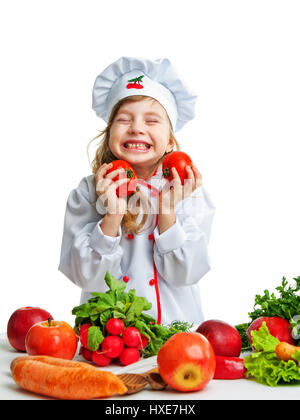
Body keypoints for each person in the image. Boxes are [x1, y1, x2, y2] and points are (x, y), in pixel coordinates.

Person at [58, 57, 215, 325]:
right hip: (108, 336)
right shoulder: (88, 192)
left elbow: (185, 274)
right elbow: (84, 276)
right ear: (109, 134)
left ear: (169, 142)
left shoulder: (189, 192)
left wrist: (167, 211)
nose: (137, 128)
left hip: (175, 335)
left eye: (152, 120)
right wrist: (112, 215)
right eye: (124, 119)